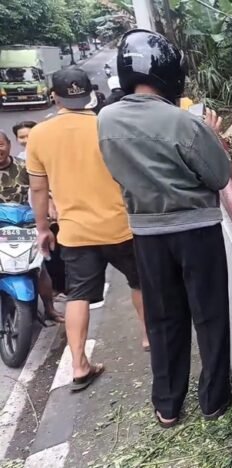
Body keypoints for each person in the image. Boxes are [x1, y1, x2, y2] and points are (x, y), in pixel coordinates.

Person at [99, 30, 232, 427]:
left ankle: (168, 404)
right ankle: (212, 399)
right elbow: (219, 176)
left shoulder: (105, 119)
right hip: (196, 230)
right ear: (170, 73)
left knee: (162, 318)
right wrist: (214, 135)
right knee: (208, 316)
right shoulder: (182, 122)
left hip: (146, 234)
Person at [26, 68, 149, 392]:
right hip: (120, 226)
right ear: (89, 95)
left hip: (75, 233)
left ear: (54, 96)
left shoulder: (39, 135)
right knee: (140, 282)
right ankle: (149, 336)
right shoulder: (105, 124)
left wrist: (43, 228)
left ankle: (79, 365)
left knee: (79, 295)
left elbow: (38, 190)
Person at [0, 131, 63, 323]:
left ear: (9, 145)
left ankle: (50, 309)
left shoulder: (25, 167)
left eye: (0, 144)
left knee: (39, 268)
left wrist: (51, 207)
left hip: (25, 226)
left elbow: (44, 190)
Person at [12, 121, 66, 298]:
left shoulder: (50, 155)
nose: (26, 140)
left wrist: (50, 203)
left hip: (53, 212)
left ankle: (62, 290)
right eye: (22, 137)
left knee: (57, 252)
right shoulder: (20, 161)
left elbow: (43, 187)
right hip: (29, 217)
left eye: (29, 135)